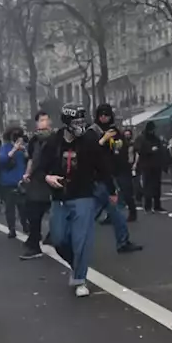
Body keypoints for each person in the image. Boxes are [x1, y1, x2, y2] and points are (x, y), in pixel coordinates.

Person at [34, 104, 114, 297]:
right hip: (59, 198)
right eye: (76, 122)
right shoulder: (54, 141)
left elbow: (102, 166)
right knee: (59, 238)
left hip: (84, 195)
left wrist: (110, 189)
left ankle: (80, 279)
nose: (80, 126)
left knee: (82, 239)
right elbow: (40, 167)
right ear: (67, 123)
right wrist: (47, 178)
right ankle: (75, 263)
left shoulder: (89, 140)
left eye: (82, 121)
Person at [91, 104, 143, 253]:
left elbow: (119, 150)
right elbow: (93, 151)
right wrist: (104, 139)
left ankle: (123, 241)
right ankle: (66, 236)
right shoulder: (94, 132)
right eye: (101, 115)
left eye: (106, 115)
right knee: (92, 213)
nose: (104, 118)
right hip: (100, 177)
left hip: (109, 175)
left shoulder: (114, 132)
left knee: (113, 211)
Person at [20, 112, 55, 260]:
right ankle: (34, 241)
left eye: (47, 119)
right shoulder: (34, 141)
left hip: (51, 178)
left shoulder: (55, 139)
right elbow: (31, 159)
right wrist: (27, 174)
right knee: (33, 212)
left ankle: (41, 240)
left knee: (53, 211)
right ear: (36, 123)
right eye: (41, 120)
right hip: (36, 180)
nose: (44, 122)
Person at [0, 127, 30, 239]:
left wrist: (24, 150)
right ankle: (11, 229)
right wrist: (14, 149)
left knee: (23, 207)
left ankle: (25, 225)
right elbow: (2, 160)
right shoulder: (5, 147)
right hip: (8, 183)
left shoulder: (24, 148)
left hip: (21, 181)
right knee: (10, 208)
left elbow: (29, 159)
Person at [135, 122, 166, 213]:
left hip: (156, 165)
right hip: (146, 165)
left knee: (157, 186)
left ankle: (157, 205)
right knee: (147, 186)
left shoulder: (155, 139)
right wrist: (150, 150)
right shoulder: (141, 138)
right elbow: (138, 149)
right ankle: (148, 206)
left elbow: (161, 150)